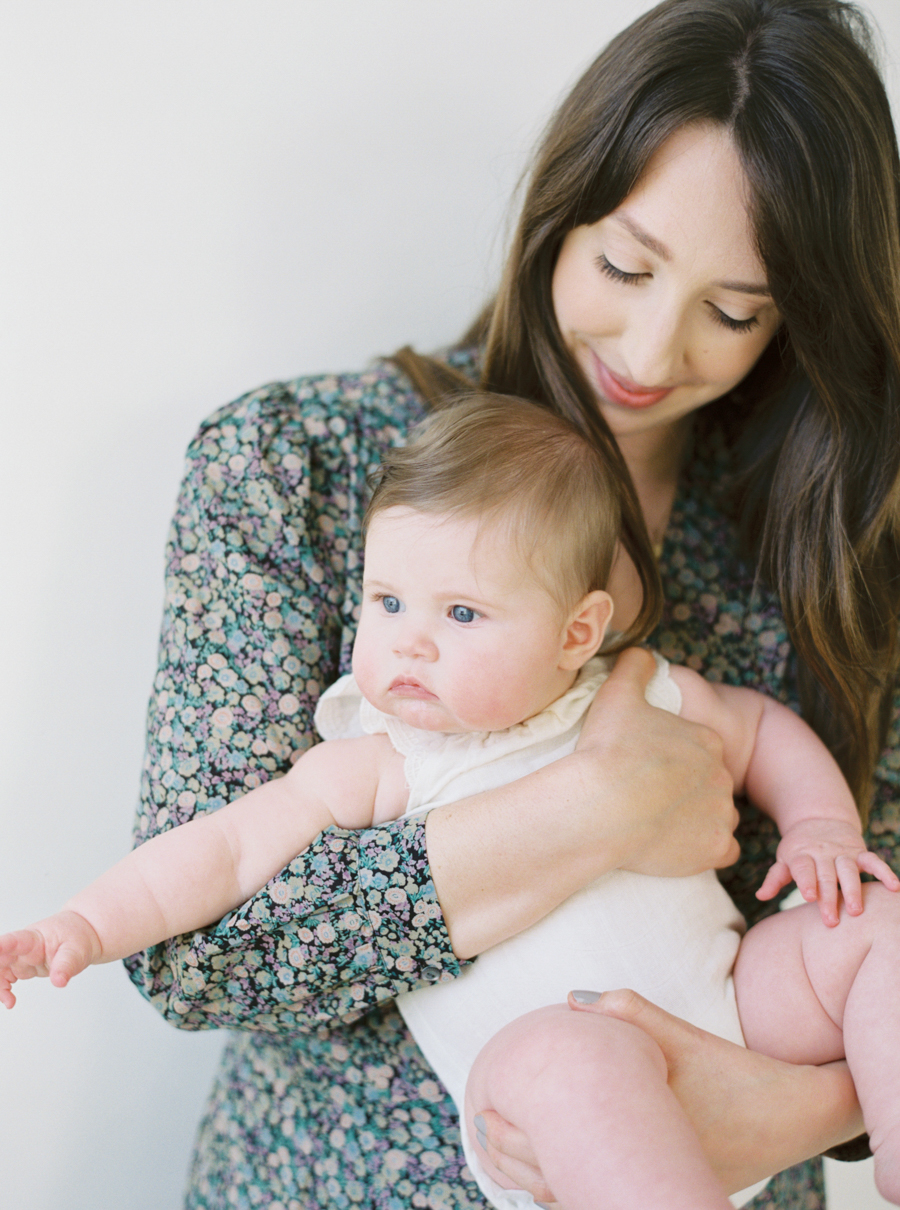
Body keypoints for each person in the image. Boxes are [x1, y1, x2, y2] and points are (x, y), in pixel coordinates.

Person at [102, 0, 900, 1205]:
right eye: (624, 266)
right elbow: (195, 947)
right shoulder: (305, 464)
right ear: (557, 213)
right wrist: (598, 807)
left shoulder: (823, 530)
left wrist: (802, 1113)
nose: (648, 344)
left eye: (734, 311)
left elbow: (870, 920)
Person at [3, 396, 899, 1210]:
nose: (410, 645)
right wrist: (82, 924)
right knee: (565, 1056)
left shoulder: (637, 689)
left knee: (876, 925)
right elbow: (226, 854)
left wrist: (821, 824)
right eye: (387, 601)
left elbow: (761, 729)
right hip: (559, 1109)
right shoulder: (384, 759)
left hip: (742, 1012)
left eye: (462, 615)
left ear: (574, 632)